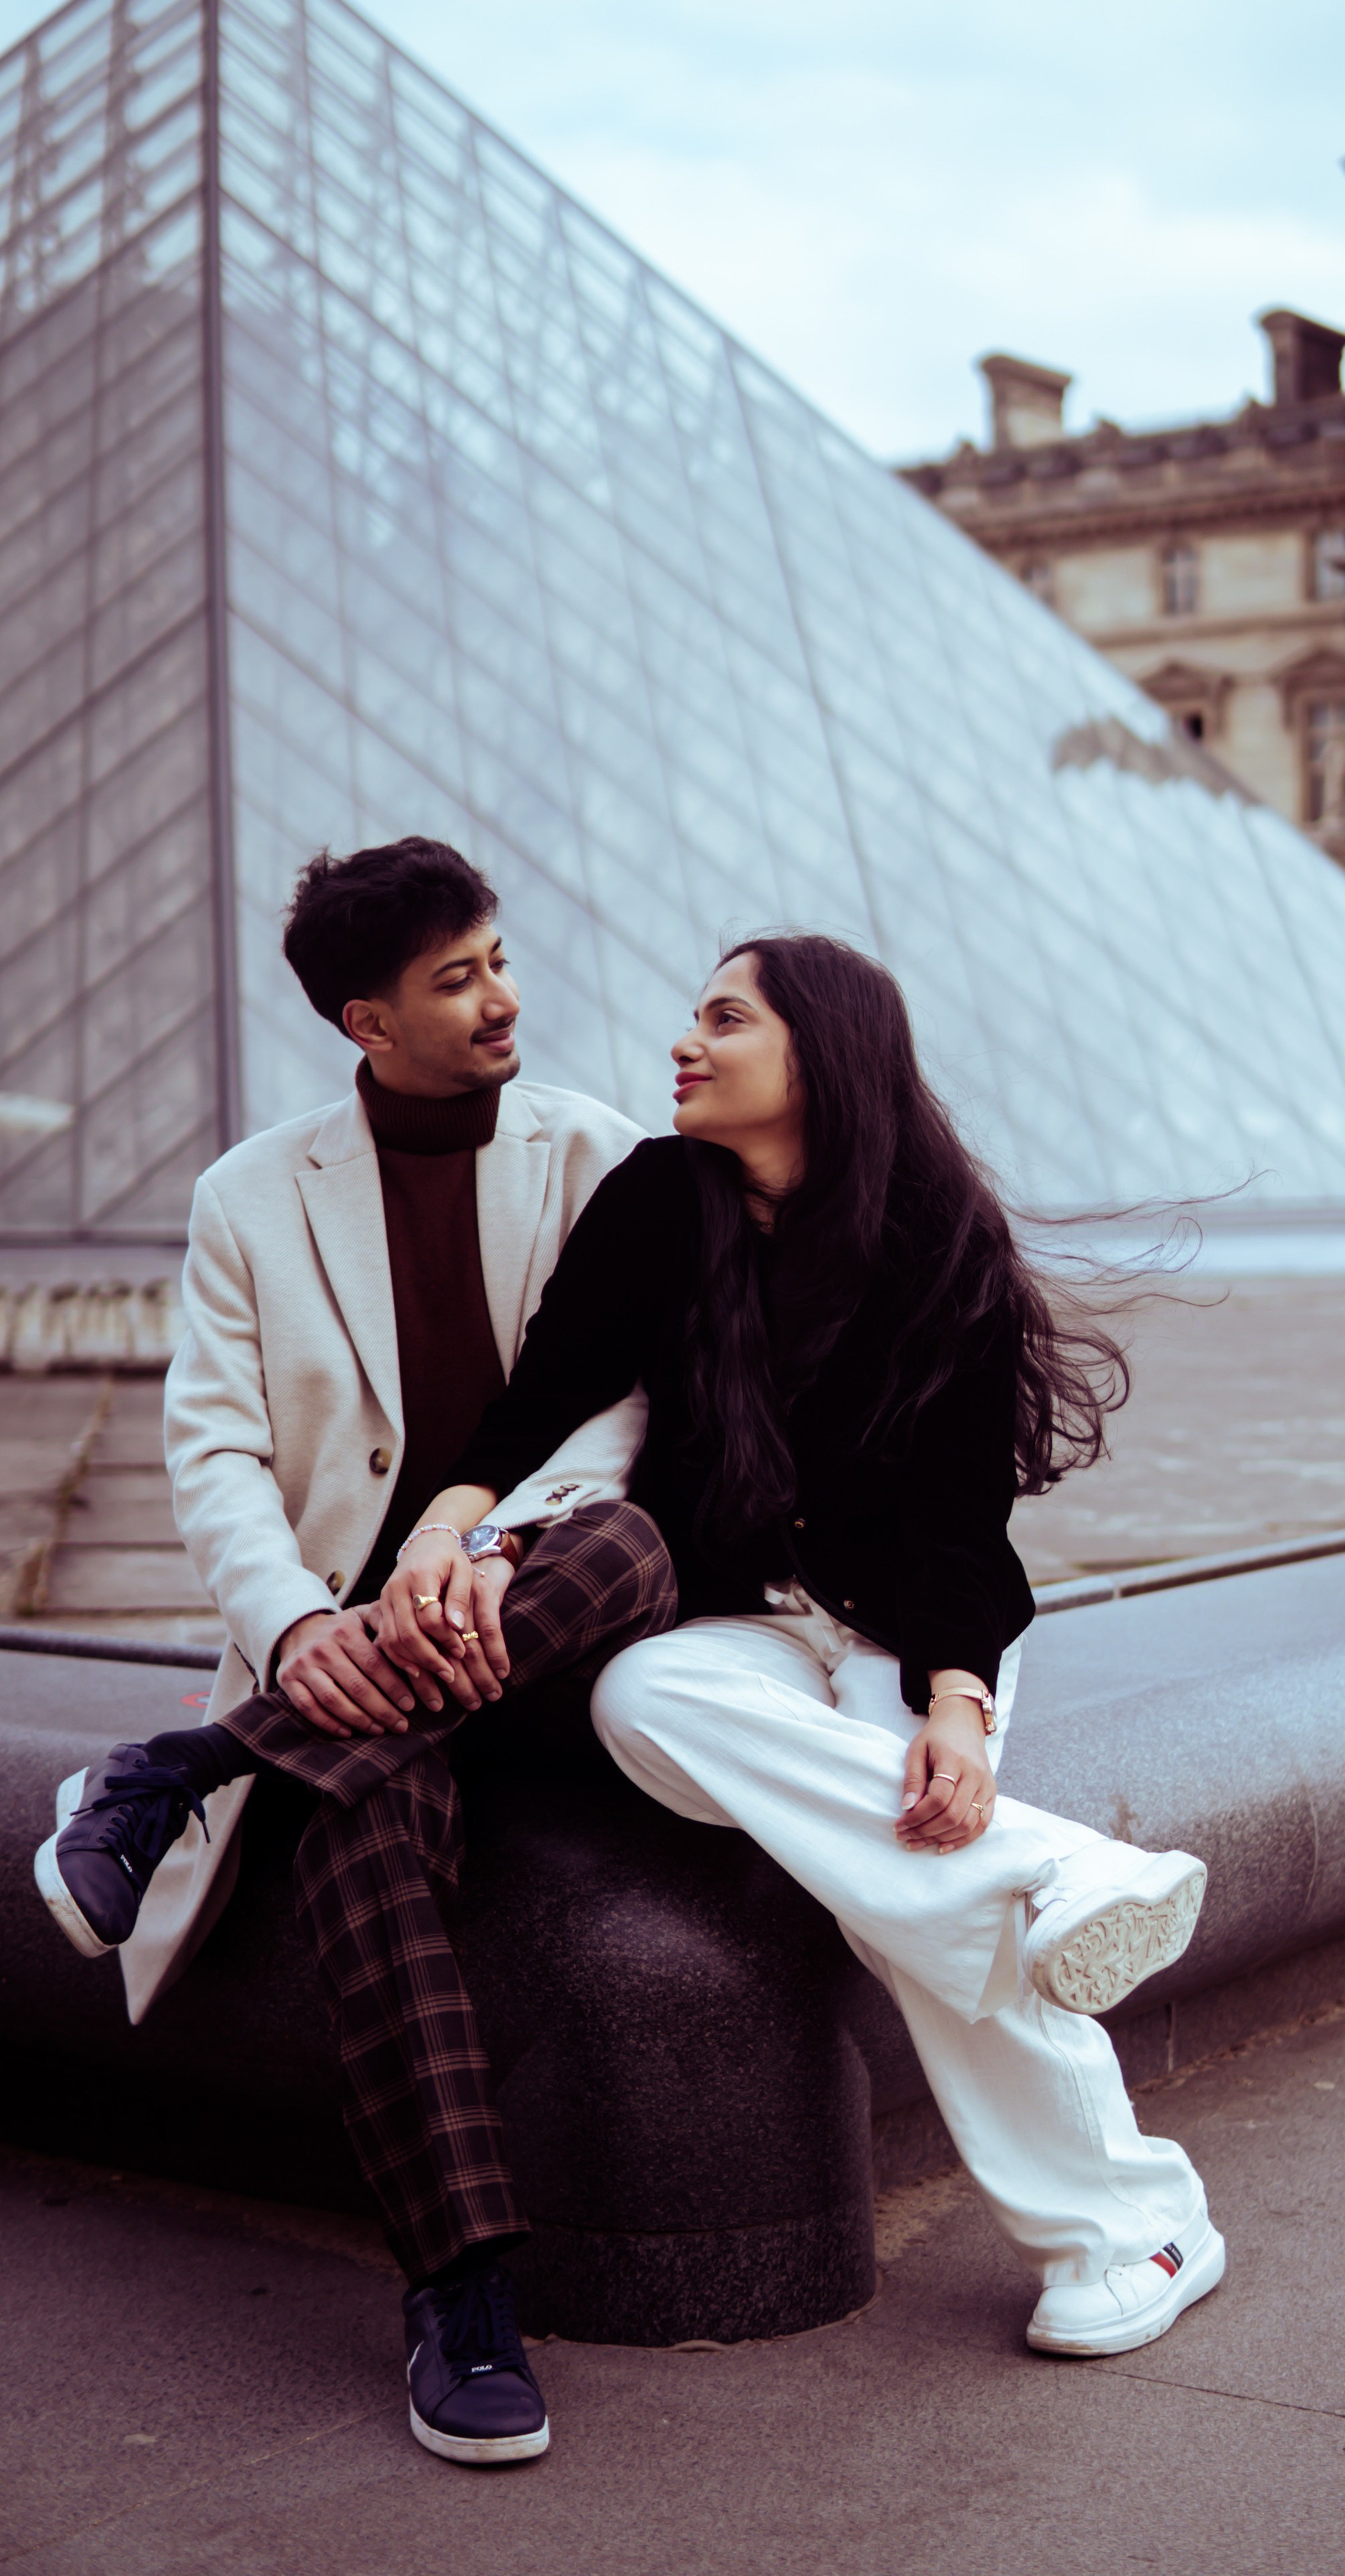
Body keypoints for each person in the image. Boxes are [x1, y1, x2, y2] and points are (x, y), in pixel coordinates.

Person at [383, 934, 1225, 2362]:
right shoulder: (661, 1200)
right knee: (644, 1692)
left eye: (722, 1018)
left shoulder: (934, 1240)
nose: (684, 1042)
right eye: (692, 1017)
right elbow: (549, 1390)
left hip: (909, 1632)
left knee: (907, 1855)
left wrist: (954, 1707)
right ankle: (1063, 1872)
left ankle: (1135, 2227)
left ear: (816, 1053)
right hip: (736, 1631)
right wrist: (446, 1521)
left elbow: (966, 1524)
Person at [34, 837, 677, 2469]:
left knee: (632, 1540)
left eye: (500, 958)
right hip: (348, 1672)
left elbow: (615, 1419)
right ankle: (463, 2294)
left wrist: (471, 1553)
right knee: (367, 1833)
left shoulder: (598, 1157)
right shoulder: (251, 1195)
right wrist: (307, 1624)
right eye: (456, 979)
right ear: (363, 1020)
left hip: (526, 1626)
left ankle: (187, 1764)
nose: (501, 999)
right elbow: (216, 1457)